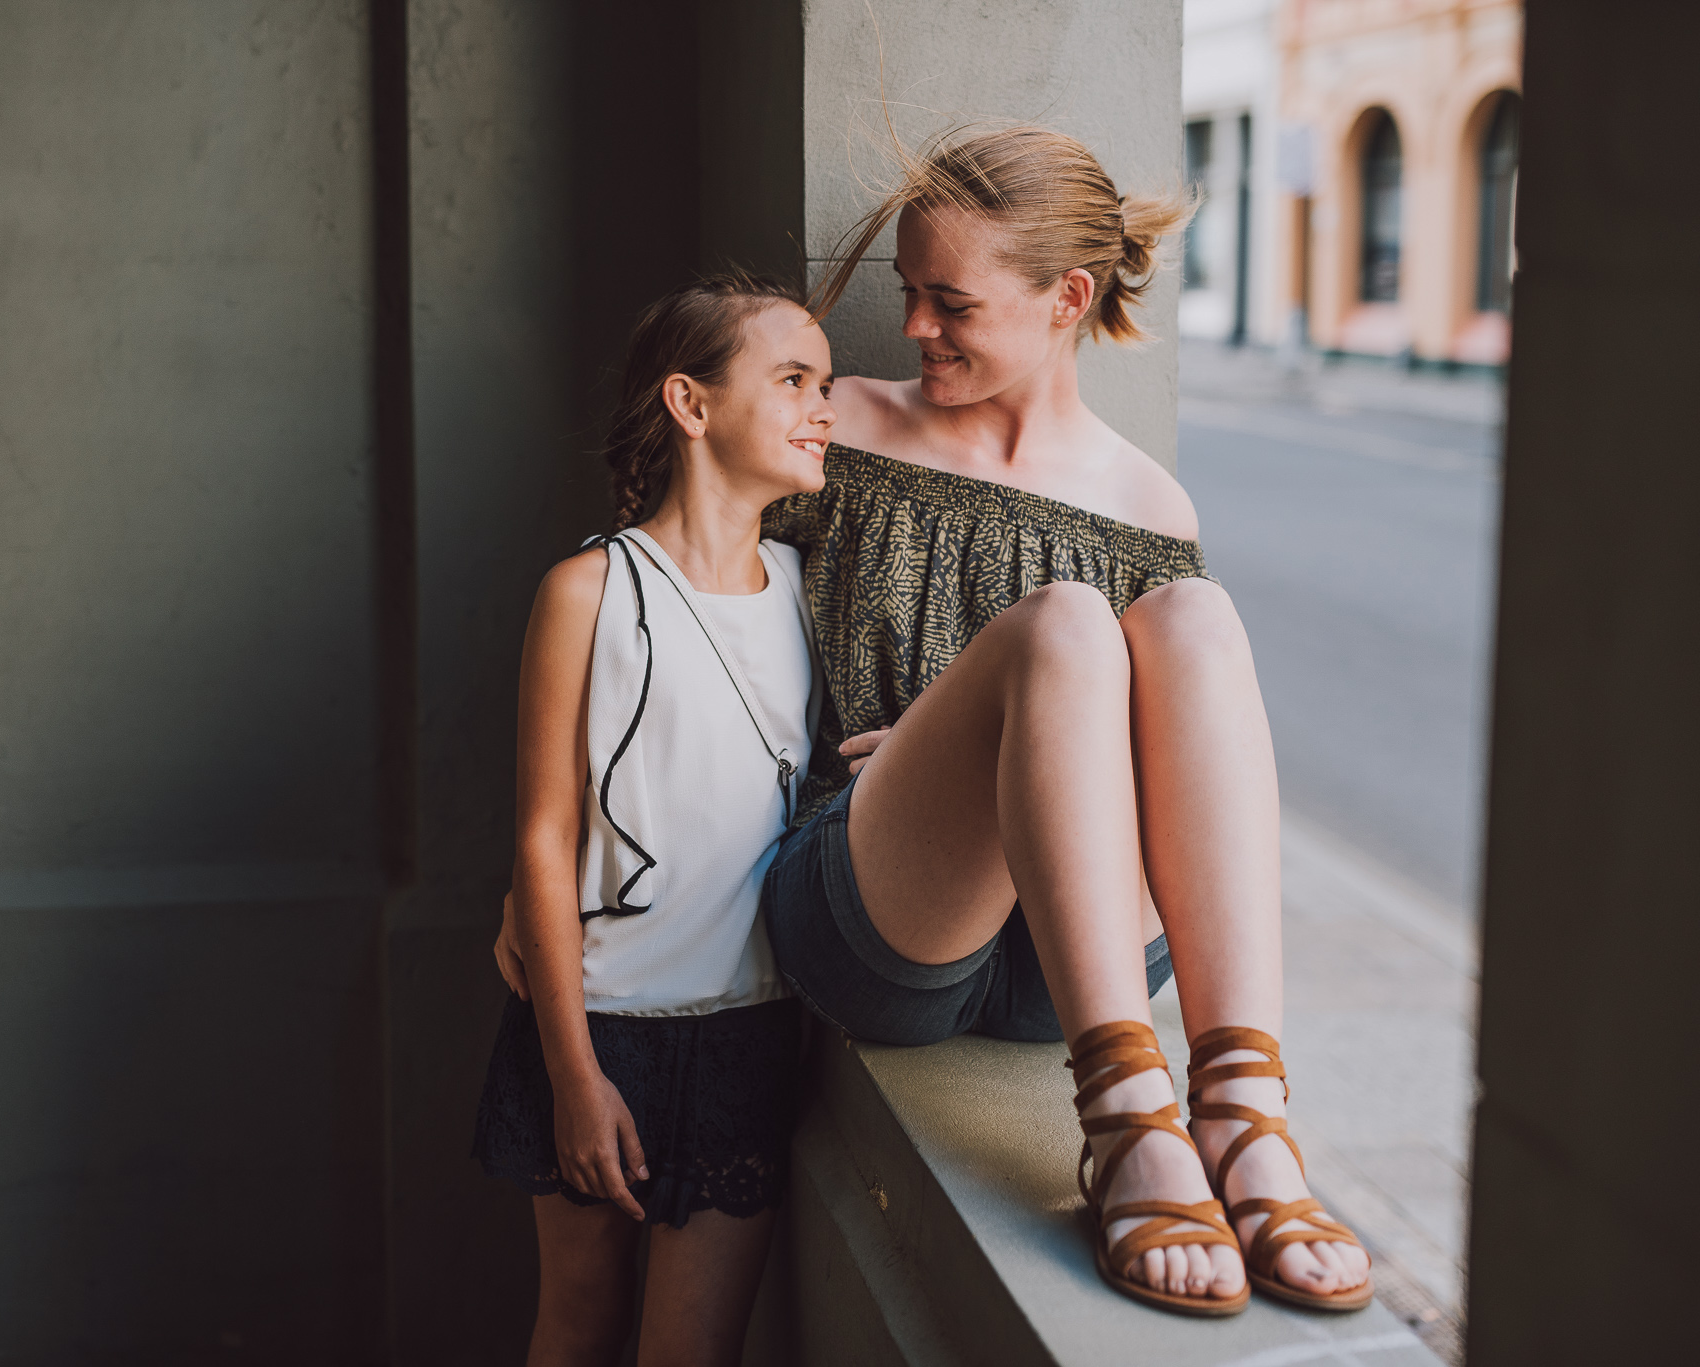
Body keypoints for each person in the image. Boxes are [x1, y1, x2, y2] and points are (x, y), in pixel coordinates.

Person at [504, 124, 1374, 1318]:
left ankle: (1239, 1109)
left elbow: (1163, 755)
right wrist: (557, 872)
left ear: (1065, 298)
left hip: (1070, 961)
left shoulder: (1144, 502)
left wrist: (984, 732)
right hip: (877, 917)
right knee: (1064, 622)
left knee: (1197, 619)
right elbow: (680, 610)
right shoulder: (840, 429)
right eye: (910, 295)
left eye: (948, 301)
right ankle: (1125, 1120)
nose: (914, 327)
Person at [471, 274, 836, 1366]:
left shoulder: (809, 585)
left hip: (750, 1027)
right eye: (791, 379)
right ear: (690, 402)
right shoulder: (586, 590)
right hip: (596, 1025)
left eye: (826, 383)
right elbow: (541, 836)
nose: (825, 406)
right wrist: (575, 1079)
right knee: (577, 1325)